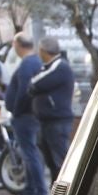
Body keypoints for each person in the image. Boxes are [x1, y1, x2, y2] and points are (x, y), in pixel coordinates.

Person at [3, 34, 47, 195]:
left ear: (17, 45)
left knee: (30, 155)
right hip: (30, 115)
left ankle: (39, 192)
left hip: (25, 117)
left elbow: (24, 91)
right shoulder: (34, 62)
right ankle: (30, 191)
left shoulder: (28, 63)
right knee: (30, 154)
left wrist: (16, 111)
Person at [28, 37, 75, 179]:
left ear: (43, 51)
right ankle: (55, 189)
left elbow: (35, 83)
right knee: (51, 162)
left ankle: (67, 190)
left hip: (57, 121)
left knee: (60, 162)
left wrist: (33, 86)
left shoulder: (60, 66)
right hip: (47, 121)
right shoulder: (47, 67)